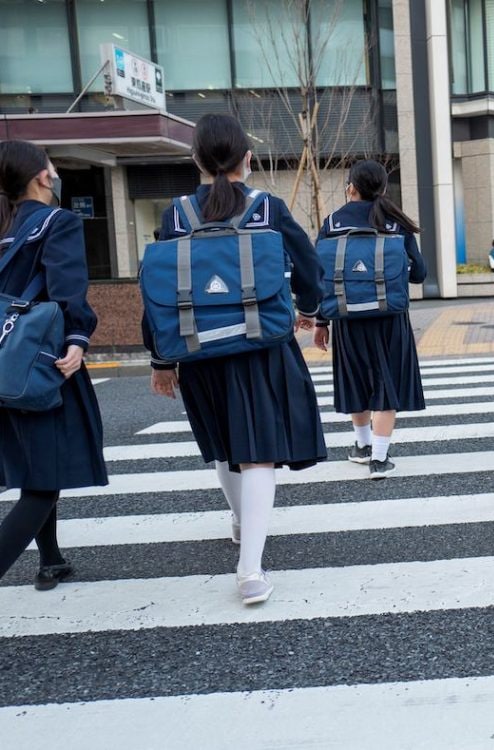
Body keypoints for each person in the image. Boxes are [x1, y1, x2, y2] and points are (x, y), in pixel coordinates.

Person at [144, 113, 326, 605]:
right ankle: (250, 571)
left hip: (197, 349)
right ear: (248, 158)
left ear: (197, 161)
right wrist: (309, 312)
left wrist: (162, 361)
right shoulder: (267, 207)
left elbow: (157, 292)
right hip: (262, 345)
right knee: (259, 450)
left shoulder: (176, 214)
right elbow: (309, 265)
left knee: (224, 446)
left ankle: (242, 523)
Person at [0, 140, 108, 588]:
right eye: (52, 166)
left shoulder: (5, 226)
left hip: (3, 363)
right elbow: (67, 288)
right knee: (45, 477)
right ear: (43, 176)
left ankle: (51, 558)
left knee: (33, 466)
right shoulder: (56, 221)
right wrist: (78, 339)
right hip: (41, 361)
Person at [313, 160, 426, 479]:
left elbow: (321, 276)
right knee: (385, 382)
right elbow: (419, 273)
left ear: (351, 187)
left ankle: (362, 447)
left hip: (347, 319)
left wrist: (322, 322)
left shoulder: (332, 222)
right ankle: (379, 458)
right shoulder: (395, 222)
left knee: (356, 381)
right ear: (384, 188)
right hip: (390, 318)